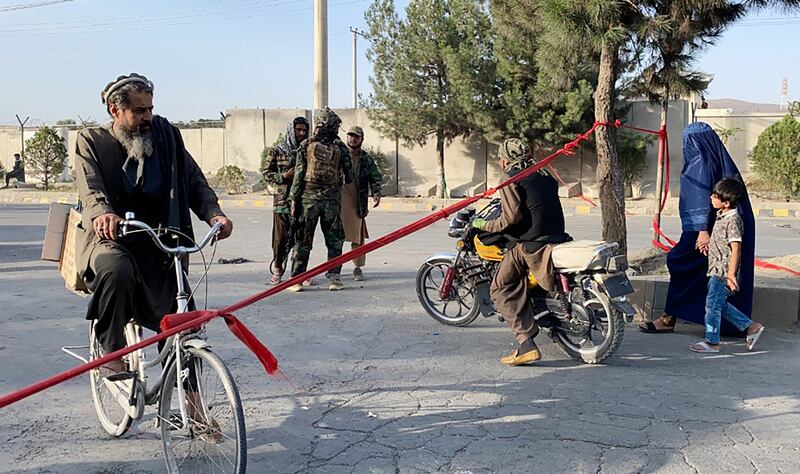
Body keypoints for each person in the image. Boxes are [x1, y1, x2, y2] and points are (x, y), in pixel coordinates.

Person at [74, 73, 233, 376]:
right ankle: (111, 350)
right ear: (114, 111)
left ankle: (194, 405)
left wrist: (214, 214)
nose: (147, 117)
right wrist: (103, 214)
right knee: (115, 268)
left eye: (150, 109)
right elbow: (91, 189)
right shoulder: (91, 141)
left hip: (159, 240)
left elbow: (193, 180)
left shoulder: (166, 136)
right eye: (138, 111)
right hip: (111, 238)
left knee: (184, 320)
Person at [640, 122, 755, 335]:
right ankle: (740, 326)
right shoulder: (721, 162)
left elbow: (700, 197)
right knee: (708, 278)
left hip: (704, 233)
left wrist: (702, 231)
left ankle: (668, 320)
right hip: (718, 232)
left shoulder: (699, 162)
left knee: (680, 263)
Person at [471, 138, 567, 366]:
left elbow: (510, 218)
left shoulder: (510, 179)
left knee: (500, 286)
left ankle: (526, 344)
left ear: (505, 159)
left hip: (531, 244)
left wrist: (482, 225)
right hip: (556, 237)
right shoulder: (545, 175)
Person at [689, 178, 764, 353]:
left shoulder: (733, 220)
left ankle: (712, 341)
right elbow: (722, 241)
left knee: (712, 306)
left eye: (715, 196)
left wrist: (731, 274)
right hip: (716, 267)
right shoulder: (721, 215)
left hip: (723, 272)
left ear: (726, 202)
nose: (711, 198)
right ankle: (750, 326)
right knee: (718, 304)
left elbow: (736, 248)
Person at [287, 107, 354, 292]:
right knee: (334, 240)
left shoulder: (306, 145)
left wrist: (294, 199)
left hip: (308, 200)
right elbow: (350, 177)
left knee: (303, 240)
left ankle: (296, 279)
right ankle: (334, 278)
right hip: (331, 201)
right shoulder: (340, 147)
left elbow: (299, 175)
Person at [263, 116, 309, 285]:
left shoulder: (308, 150)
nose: (301, 133)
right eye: (298, 130)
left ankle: (298, 274)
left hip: (304, 201)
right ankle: (277, 270)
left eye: (304, 130)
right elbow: (266, 174)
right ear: (292, 129)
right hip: (282, 202)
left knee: (301, 239)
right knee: (280, 239)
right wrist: (283, 176)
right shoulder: (277, 150)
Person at [340, 125, 382, 281]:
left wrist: (376, 193)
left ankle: (357, 268)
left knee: (358, 238)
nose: (353, 138)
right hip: (337, 201)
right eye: (350, 135)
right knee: (336, 237)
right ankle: (334, 268)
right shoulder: (338, 154)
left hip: (357, 200)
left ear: (361, 139)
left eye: (356, 136)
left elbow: (375, 176)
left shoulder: (366, 158)